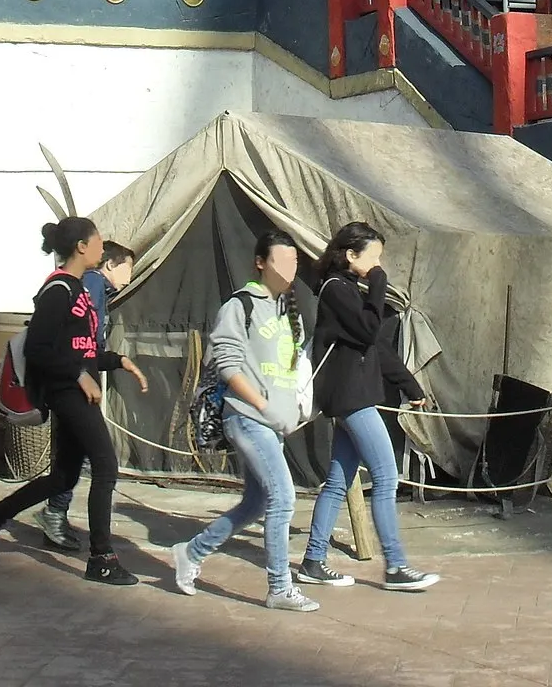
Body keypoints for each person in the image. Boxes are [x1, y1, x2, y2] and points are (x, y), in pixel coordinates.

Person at [0, 217, 144, 585]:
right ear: (81, 246)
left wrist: (118, 361)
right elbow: (40, 348)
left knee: (63, 476)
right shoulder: (58, 290)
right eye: (97, 242)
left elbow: (82, 350)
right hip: (67, 393)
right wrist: (79, 376)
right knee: (106, 466)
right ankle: (102, 557)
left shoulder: (78, 290)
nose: (101, 247)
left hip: (77, 389)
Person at [171, 231, 320, 611]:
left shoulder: (287, 311)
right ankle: (280, 588)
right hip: (249, 417)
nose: (289, 270)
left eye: (295, 263)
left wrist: (294, 407)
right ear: (260, 262)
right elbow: (227, 360)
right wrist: (262, 404)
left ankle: (191, 552)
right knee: (283, 498)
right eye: (281, 261)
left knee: (255, 503)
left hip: (276, 426)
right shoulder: (240, 305)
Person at [299, 222, 439, 592]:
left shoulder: (347, 290)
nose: (378, 265)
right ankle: (395, 566)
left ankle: (313, 559)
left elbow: (374, 343)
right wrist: (379, 284)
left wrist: (408, 384)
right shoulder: (335, 290)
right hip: (350, 397)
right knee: (386, 476)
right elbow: (368, 330)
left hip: (352, 394)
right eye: (373, 257)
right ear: (350, 255)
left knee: (338, 481)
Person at [38, 238, 133, 551]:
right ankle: (91, 543)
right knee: (99, 464)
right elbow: (79, 340)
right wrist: (84, 375)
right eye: (127, 267)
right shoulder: (90, 284)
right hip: (75, 384)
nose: (130, 276)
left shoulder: (96, 287)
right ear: (109, 264)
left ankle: (51, 513)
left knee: (72, 456)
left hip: (79, 381)